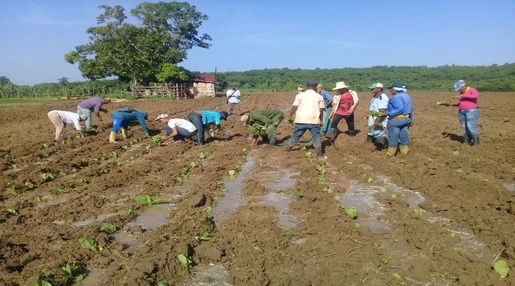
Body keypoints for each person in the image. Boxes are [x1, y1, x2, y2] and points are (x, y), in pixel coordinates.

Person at [285, 80, 325, 156]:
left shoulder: (299, 95)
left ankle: (288, 149)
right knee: (316, 137)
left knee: (296, 135)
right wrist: (321, 120)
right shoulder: (319, 97)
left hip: (301, 120)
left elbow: (294, 106)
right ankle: (319, 154)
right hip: (314, 120)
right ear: (316, 87)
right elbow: (321, 110)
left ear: (307, 86)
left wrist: (290, 116)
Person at [441, 80, 480, 146]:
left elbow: (476, 96)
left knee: (471, 127)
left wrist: (462, 96)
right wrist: (450, 104)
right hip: (462, 111)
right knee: (465, 127)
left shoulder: (471, 90)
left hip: (471, 111)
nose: (459, 90)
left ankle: (476, 144)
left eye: (460, 88)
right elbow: (462, 104)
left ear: (463, 86)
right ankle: (466, 142)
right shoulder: (462, 93)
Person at [386, 82, 413, 155]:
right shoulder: (407, 96)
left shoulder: (396, 97)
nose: (390, 91)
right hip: (406, 119)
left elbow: (400, 108)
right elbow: (410, 109)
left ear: (395, 90)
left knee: (393, 137)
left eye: (391, 89)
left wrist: (388, 113)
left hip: (396, 120)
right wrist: (411, 119)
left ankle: (390, 153)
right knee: (404, 136)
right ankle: (405, 152)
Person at [367, 83, 389, 150]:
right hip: (373, 118)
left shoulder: (382, 97)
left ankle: (380, 147)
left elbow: (383, 111)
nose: (371, 89)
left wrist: (378, 120)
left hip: (379, 119)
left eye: (373, 88)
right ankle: (369, 143)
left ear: (379, 89)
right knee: (371, 131)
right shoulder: (375, 96)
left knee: (379, 132)